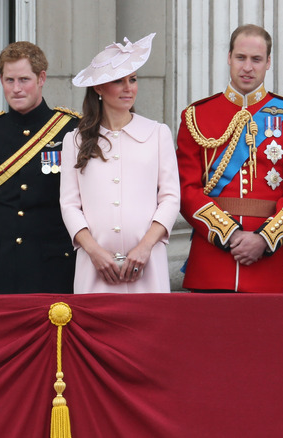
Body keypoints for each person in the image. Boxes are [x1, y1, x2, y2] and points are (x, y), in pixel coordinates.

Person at [176, 24, 283, 293]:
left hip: (268, 263)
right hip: (211, 263)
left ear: (268, 63)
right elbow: (186, 189)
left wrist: (264, 239)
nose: (248, 67)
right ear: (229, 57)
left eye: (256, 59)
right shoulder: (196, 116)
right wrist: (230, 234)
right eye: (241, 58)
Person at [61, 33, 180, 293]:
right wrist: (94, 252)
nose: (129, 88)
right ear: (99, 88)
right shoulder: (74, 140)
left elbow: (171, 198)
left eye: (133, 79)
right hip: (94, 267)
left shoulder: (158, 133)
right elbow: (69, 204)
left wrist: (145, 247)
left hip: (148, 264)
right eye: (119, 81)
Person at [0, 41, 80, 294]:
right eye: (9, 80)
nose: (16, 89)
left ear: (41, 78)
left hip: (54, 263)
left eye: (24, 80)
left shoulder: (71, 130)